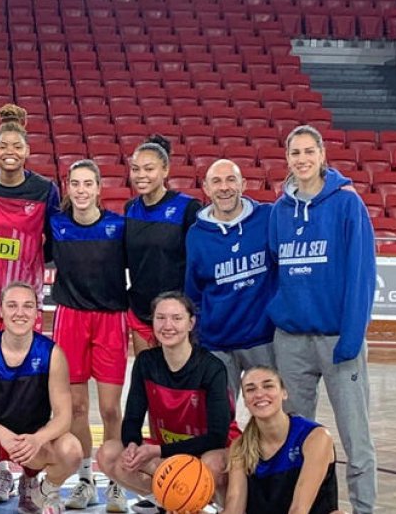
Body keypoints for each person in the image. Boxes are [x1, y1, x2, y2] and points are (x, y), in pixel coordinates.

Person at [268, 125, 376, 514]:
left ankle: (364, 509)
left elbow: (361, 274)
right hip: (292, 342)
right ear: (287, 159)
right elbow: (273, 270)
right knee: (294, 439)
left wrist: (351, 336)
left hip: (338, 341)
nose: (302, 159)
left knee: (355, 439)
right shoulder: (279, 211)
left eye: (308, 152)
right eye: (295, 153)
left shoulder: (347, 204)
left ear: (322, 154)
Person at [0, 103, 60, 506]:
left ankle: (30, 475)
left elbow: (54, 241)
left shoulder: (45, 190)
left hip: (22, 305)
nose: (10, 150)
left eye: (17, 145)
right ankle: (1, 469)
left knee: (28, 392)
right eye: (3, 144)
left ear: (27, 150)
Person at [0, 282, 82, 514]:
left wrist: (38, 439)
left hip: (32, 442)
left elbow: (63, 416)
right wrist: (1, 433)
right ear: (0, 310)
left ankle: (44, 491)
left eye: (27, 306)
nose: (19, 313)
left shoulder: (52, 353)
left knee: (71, 448)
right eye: (12, 305)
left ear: (36, 312)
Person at [98, 292, 235, 514]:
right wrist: (132, 443)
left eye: (176, 318)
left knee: (211, 463)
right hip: (171, 452)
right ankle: (166, 501)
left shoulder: (211, 368)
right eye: (160, 318)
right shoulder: (146, 362)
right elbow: (133, 417)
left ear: (191, 323)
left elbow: (217, 437)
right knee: (110, 453)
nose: (167, 325)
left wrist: (157, 450)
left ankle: (216, 505)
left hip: (213, 450)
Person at [47, 160, 129, 512]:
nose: (81, 190)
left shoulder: (118, 227)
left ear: (99, 189)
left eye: (87, 184)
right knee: (77, 407)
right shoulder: (57, 225)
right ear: (67, 188)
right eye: (75, 184)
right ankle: (85, 480)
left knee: (111, 408)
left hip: (111, 320)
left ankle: (117, 481)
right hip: (71, 320)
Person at [184, 159, 277, 404]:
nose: (224, 187)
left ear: (243, 184)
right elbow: (193, 292)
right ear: (205, 188)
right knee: (221, 419)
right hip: (217, 343)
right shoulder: (196, 234)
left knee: (271, 415)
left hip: (264, 339)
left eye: (230, 179)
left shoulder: (268, 217)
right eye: (216, 181)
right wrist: (200, 336)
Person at [224, 367, 341, 514]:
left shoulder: (315, 437)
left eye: (268, 386)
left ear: (284, 393)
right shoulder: (240, 446)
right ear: (245, 401)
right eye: (250, 389)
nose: (259, 394)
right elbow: (234, 509)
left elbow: (299, 509)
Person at [124, 136, 201, 354]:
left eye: (149, 169)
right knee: (149, 378)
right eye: (136, 169)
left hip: (177, 313)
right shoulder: (130, 208)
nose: (141, 176)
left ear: (165, 170)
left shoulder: (188, 208)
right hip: (141, 310)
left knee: (181, 382)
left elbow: (198, 262)